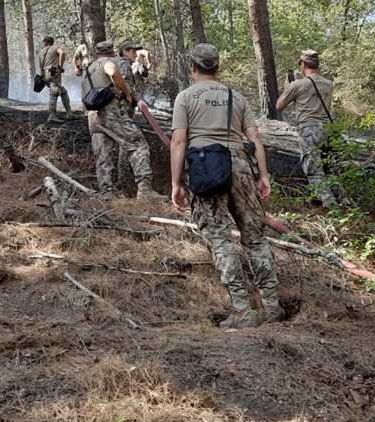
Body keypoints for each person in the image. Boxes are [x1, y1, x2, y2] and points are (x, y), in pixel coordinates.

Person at [170, 43, 280, 329]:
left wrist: (176, 182)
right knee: (255, 237)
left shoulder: (185, 97)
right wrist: (264, 176)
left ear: (192, 67)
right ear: (217, 68)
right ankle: (271, 306)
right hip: (242, 167)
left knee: (219, 238)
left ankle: (242, 309)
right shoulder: (237, 97)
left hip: (207, 169)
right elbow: (255, 140)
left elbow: (179, 142)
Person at [81, 40, 163, 200]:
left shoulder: (88, 68)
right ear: (113, 52)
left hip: (92, 116)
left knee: (102, 153)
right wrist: (126, 93)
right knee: (138, 144)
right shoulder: (111, 62)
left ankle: (107, 192)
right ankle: (145, 190)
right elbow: (112, 72)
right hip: (110, 112)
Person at [276, 49, 337, 207]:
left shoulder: (298, 84)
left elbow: (279, 106)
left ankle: (332, 206)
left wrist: (287, 89)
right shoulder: (328, 84)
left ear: (302, 64)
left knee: (313, 169)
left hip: (308, 129)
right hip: (328, 129)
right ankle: (341, 200)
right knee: (328, 167)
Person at [38, 35, 74, 123]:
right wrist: (60, 66)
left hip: (45, 74)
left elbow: (40, 66)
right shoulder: (55, 48)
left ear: (46, 42)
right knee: (54, 92)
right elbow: (62, 53)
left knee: (63, 91)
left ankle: (69, 113)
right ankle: (52, 115)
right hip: (53, 72)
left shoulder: (41, 52)